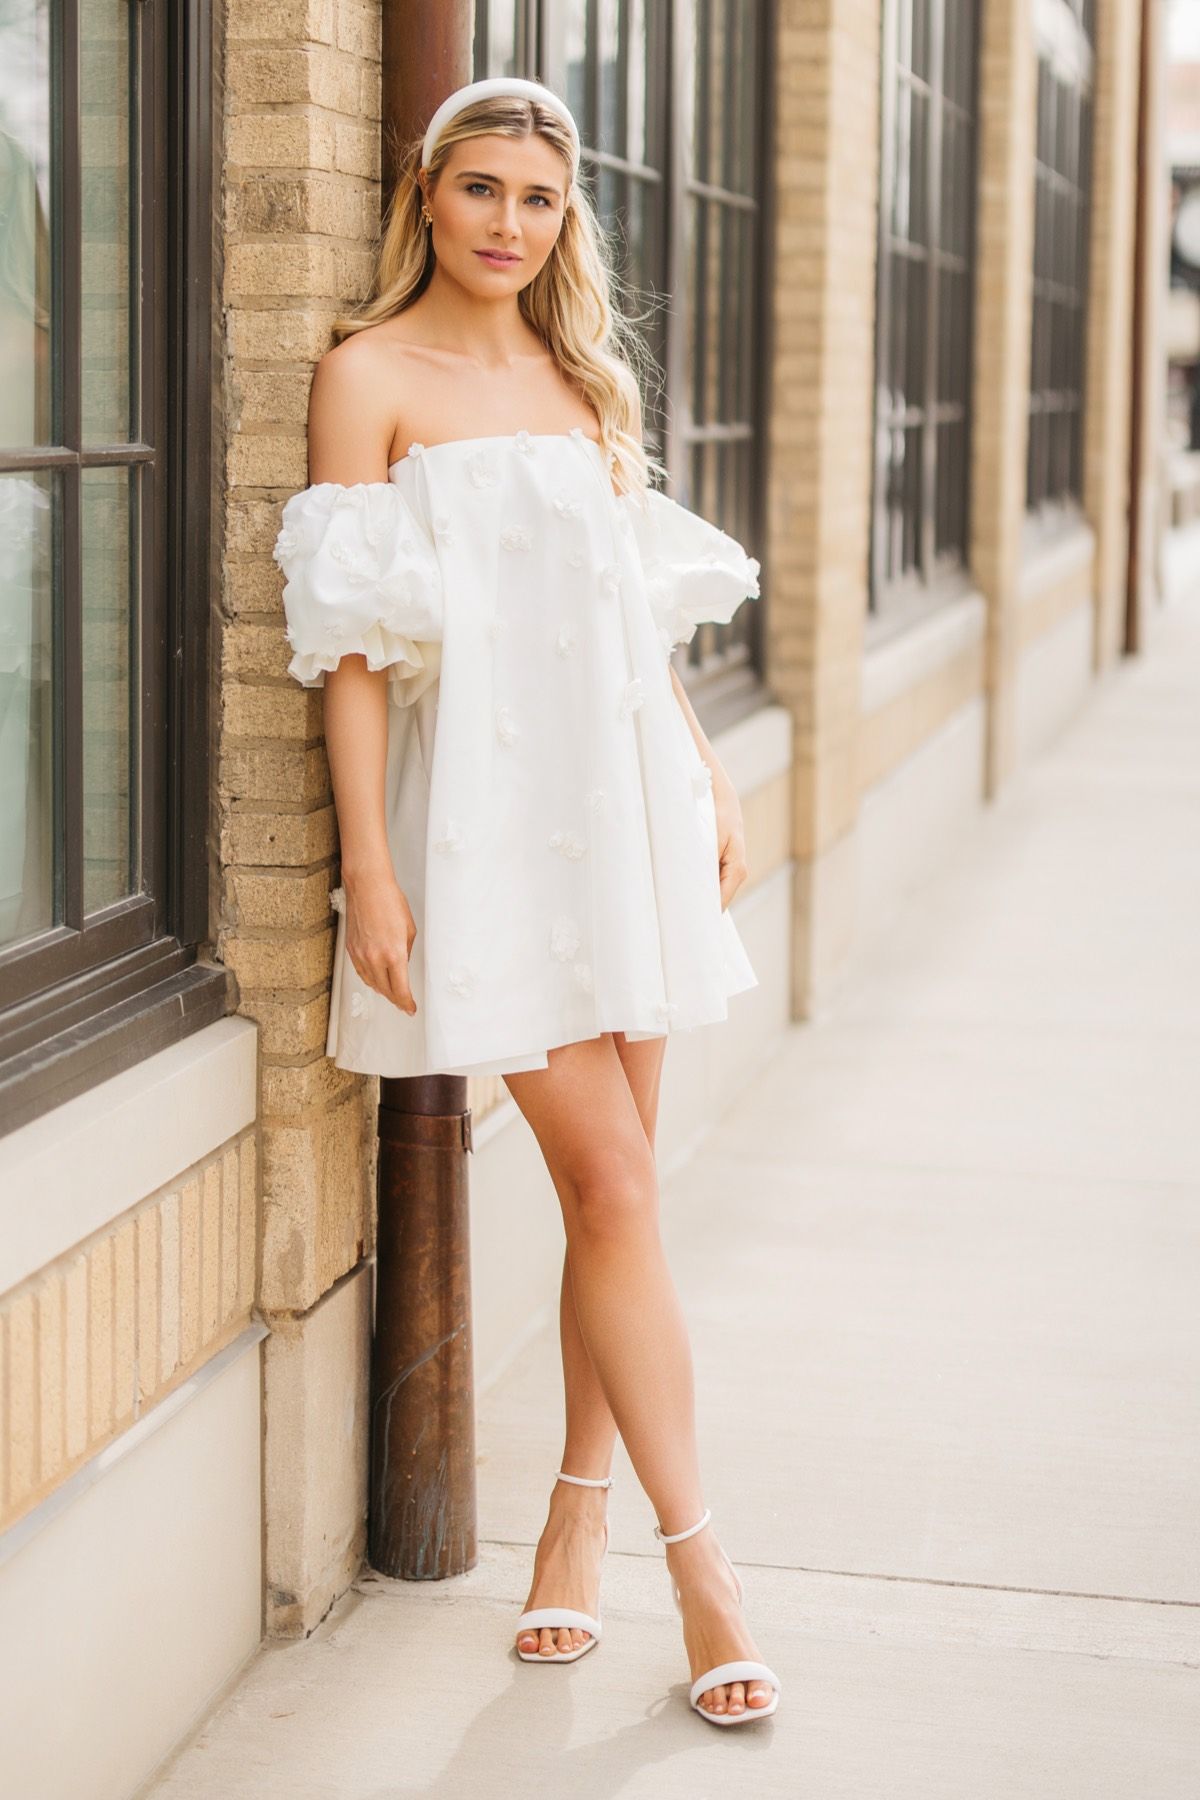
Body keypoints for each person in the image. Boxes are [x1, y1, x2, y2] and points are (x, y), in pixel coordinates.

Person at [272, 74, 780, 1728]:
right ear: (429, 195)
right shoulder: (366, 377)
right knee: (618, 1181)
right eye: (482, 189)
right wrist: (368, 860)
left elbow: (629, 622)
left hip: (624, 802)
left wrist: (704, 774)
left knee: (610, 1198)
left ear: (568, 221)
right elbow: (351, 646)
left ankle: (576, 1514)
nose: (510, 223)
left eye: (540, 200)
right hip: (487, 824)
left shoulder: (584, 382)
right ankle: (707, 1576)